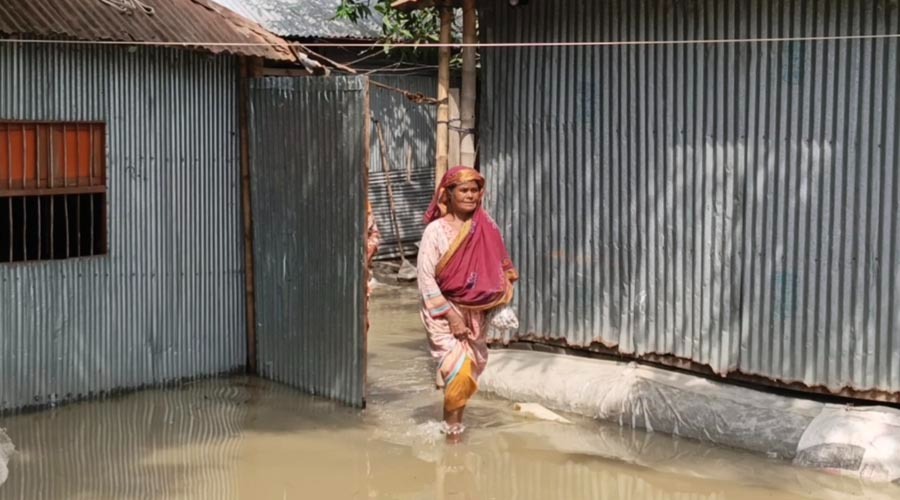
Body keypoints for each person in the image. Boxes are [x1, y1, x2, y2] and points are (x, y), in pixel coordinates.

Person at [417, 166, 518, 442]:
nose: (470, 195)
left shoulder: (487, 228)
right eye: (463, 190)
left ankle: (452, 426)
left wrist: (499, 301)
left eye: (475, 190)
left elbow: (500, 268)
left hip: (476, 314)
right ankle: (453, 436)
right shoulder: (435, 232)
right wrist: (451, 316)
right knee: (457, 371)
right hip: (442, 311)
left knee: (468, 372)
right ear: (448, 194)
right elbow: (426, 279)